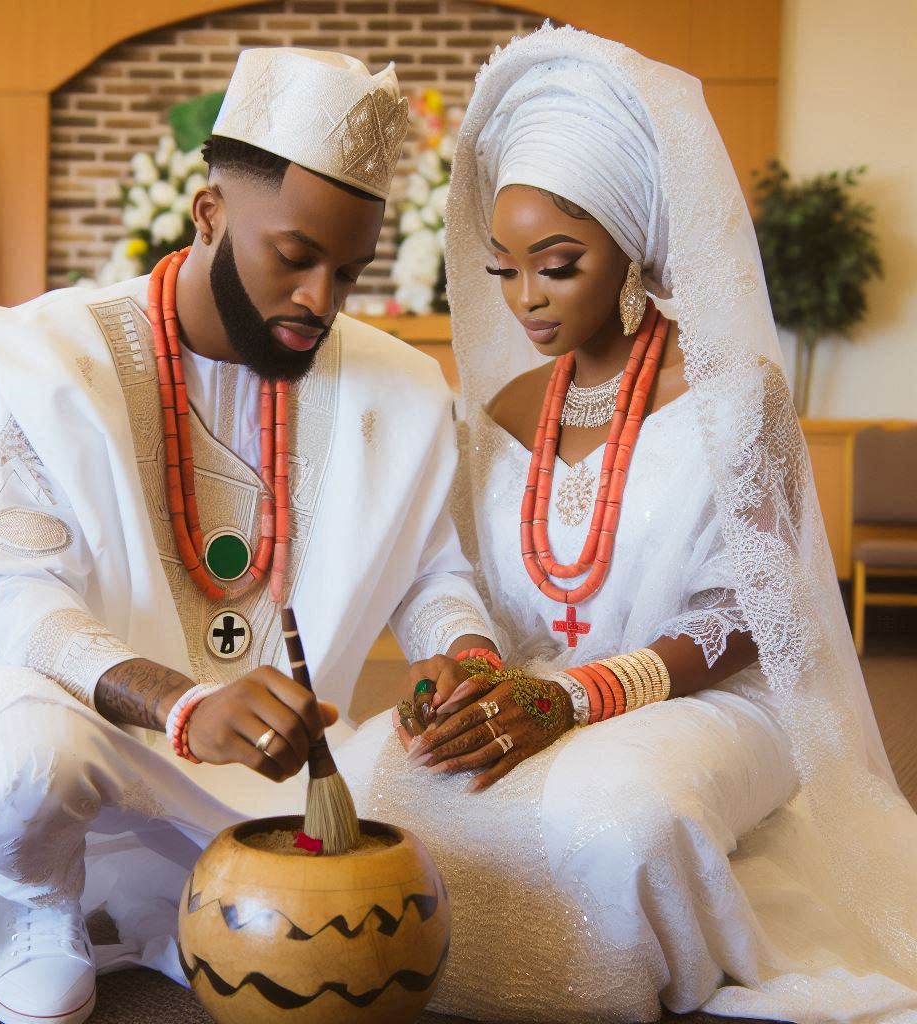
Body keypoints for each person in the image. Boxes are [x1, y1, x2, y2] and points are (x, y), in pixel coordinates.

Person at [0, 48, 497, 1024]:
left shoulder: (398, 385)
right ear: (209, 213)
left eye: (349, 270)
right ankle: (36, 908)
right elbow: (11, 594)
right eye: (294, 255)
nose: (320, 300)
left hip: (258, 761)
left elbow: (433, 571)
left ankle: (204, 899)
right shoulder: (61, 354)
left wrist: (460, 656)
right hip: (73, 712)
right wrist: (182, 707)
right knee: (23, 757)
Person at [339, 25, 917, 1023]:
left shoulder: (737, 396)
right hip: (527, 693)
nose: (526, 299)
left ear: (630, 245)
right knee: (369, 778)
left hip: (713, 703)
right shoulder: (502, 412)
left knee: (622, 819)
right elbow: (457, 577)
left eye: (556, 265)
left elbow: (760, 612)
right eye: (503, 270)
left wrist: (582, 696)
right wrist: (467, 664)